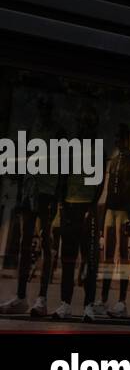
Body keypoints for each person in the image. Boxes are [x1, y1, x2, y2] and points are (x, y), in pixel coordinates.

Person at [0, 94, 61, 318]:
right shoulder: (32, 129)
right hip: (29, 190)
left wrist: (57, 196)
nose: (42, 112)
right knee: (25, 243)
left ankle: (41, 298)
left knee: (45, 242)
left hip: (47, 193)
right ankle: (21, 296)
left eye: (45, 108)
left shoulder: (58, 132)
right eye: (40, 107)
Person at [55, 101, 104, 320]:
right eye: (82, 122)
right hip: (70, 206)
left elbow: (100, 182)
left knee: (90, 260)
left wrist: (91, 207)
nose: (84, 126)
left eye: (88, 122)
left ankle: (88, 306)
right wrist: (63, 206)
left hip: (87, 209)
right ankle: (65, 303)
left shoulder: (98, 149)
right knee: (68, 258)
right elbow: (62, 178)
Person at [99, 123, 130, 318]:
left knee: (123, 254)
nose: (116, 141)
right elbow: (108, 189)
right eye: (115, 137)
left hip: (123, 211)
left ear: (126, 139)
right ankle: (103, 299)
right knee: (107, 256)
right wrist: (104, 213)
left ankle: (122, 302)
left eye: (119, 137)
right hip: (111, 210)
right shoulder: (114, 160)